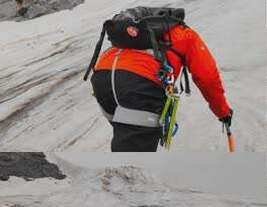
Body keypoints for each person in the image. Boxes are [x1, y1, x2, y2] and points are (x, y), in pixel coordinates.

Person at [89, 8, 233, 152]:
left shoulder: (135, 30)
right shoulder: (185, 34)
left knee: (127, 138)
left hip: (102, 78)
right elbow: (207, 78)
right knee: (132, 154)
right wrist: (223, 113)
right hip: (138, 86)